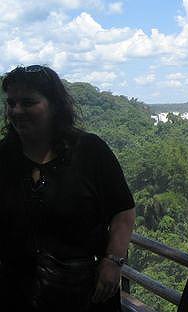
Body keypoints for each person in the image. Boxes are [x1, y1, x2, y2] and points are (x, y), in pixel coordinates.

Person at [0, 65, 135, 311]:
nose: (16, 111)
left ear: (54, 106)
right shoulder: (4, 157)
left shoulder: (90, 151)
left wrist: (113, 262)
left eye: (28, 102)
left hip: (86, 292)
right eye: (11, 103)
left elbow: (123, 211)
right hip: (17, 292)